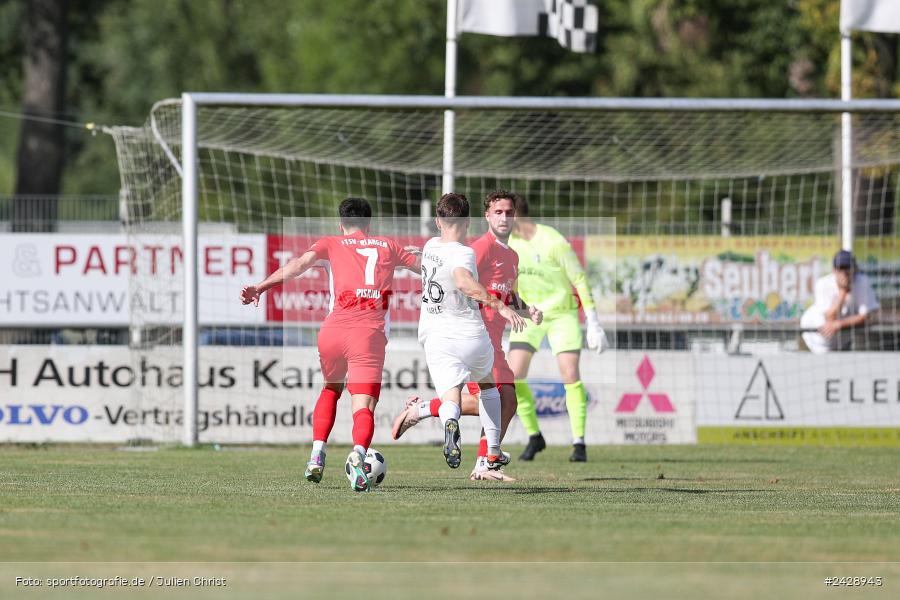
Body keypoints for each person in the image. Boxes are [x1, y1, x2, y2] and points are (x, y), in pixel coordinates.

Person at [239, 197, 419, 492]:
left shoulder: (330, 243)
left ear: (340, 223)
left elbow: (297, 266)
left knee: (330, 389)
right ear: (369, 224)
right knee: (364, 404)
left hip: (332, 331)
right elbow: (425, 268)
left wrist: (260, 287)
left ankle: (316, 455)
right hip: (367, 335)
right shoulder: (388, 245)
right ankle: (358, 455)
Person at [391, 190, 542, 481]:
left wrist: (527, 310)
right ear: (484, 217)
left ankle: (474, 449)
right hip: (475, 331)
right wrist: (498, 307)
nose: (504, 218)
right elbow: (463, 278)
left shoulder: (512, 255)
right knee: (498, 396)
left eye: (509, 212)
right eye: (498, 212)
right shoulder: (480, 248)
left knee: (503, 399)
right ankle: (484, 459)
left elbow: (505, 293)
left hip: (479, 336)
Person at [508, 196, 609, 463]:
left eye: (505, 213)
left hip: (561, 314)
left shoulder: (553, 241)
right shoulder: (509, 244)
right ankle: (534, 436)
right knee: (513, 376)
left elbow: (580, 279)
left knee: (570, 374)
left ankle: (579, 442)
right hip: (529, 315)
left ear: (516, 215)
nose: (500, 218)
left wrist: (593, 321)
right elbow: (510, 284)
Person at [800, 250, 879, 353]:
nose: (844, 273)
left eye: (848, 268)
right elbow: (830, 318)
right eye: (840, 268)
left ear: (855, 269)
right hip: (812, 338)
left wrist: (839, 324)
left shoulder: (862, 282)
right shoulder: (823, 284)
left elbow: (867, 317)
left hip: (841, 342)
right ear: (834, 270)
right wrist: (843, 292)